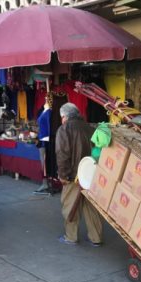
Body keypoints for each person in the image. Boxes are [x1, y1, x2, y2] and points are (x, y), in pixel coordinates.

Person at [55, 102, 103, 246]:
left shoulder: (64, 129)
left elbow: (62, 154)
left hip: (73, 176)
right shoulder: (90, 128)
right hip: (90, 175)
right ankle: (96, 238)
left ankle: (71, 237)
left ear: (64, 117)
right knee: (91, 207)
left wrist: (63, 175)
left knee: (70, 206)